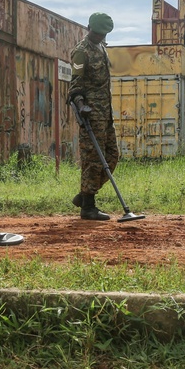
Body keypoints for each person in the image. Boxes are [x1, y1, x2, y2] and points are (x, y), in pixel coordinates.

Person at [68, 12, 119, 221]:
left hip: (105, 113)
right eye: (97, 33)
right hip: (91, 114)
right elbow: (75, 86)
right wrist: (81, 106)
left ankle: (84, 195)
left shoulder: (102, 48)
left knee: (112, 157)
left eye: (103, 34)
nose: (100, 37)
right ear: (89, 29)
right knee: (93, 160)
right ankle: (88, 206)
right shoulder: (81, 52)